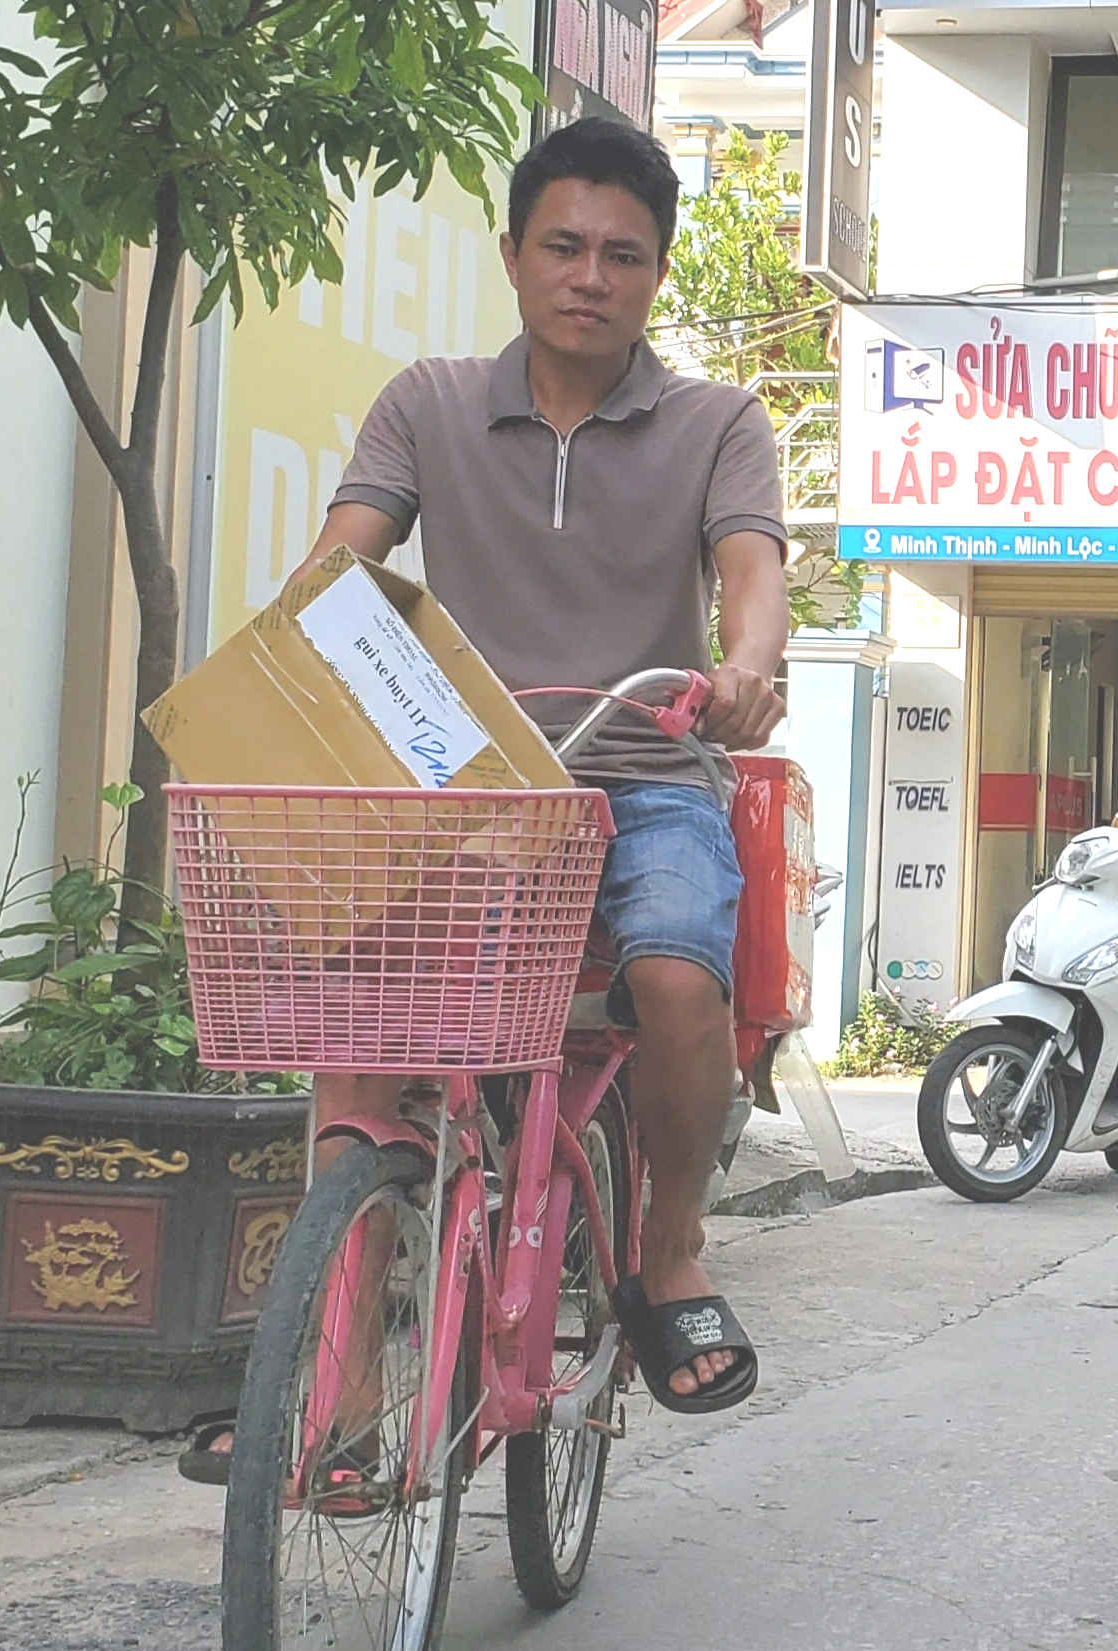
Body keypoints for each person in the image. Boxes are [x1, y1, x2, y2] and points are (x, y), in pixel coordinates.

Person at [181, 119, 785, 1485]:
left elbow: (751, 576)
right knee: (358, 1031)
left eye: (622, 255)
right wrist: (297, 631)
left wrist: (747, 667)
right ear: (512, 256)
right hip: (462, 791)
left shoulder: (714, 424)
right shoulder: (430, 403)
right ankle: (333, 1397)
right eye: (561, 246)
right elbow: (346, 560)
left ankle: (667, 1249)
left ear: (656, 273)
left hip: (640, 769)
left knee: (681, 983)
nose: (589, 275)